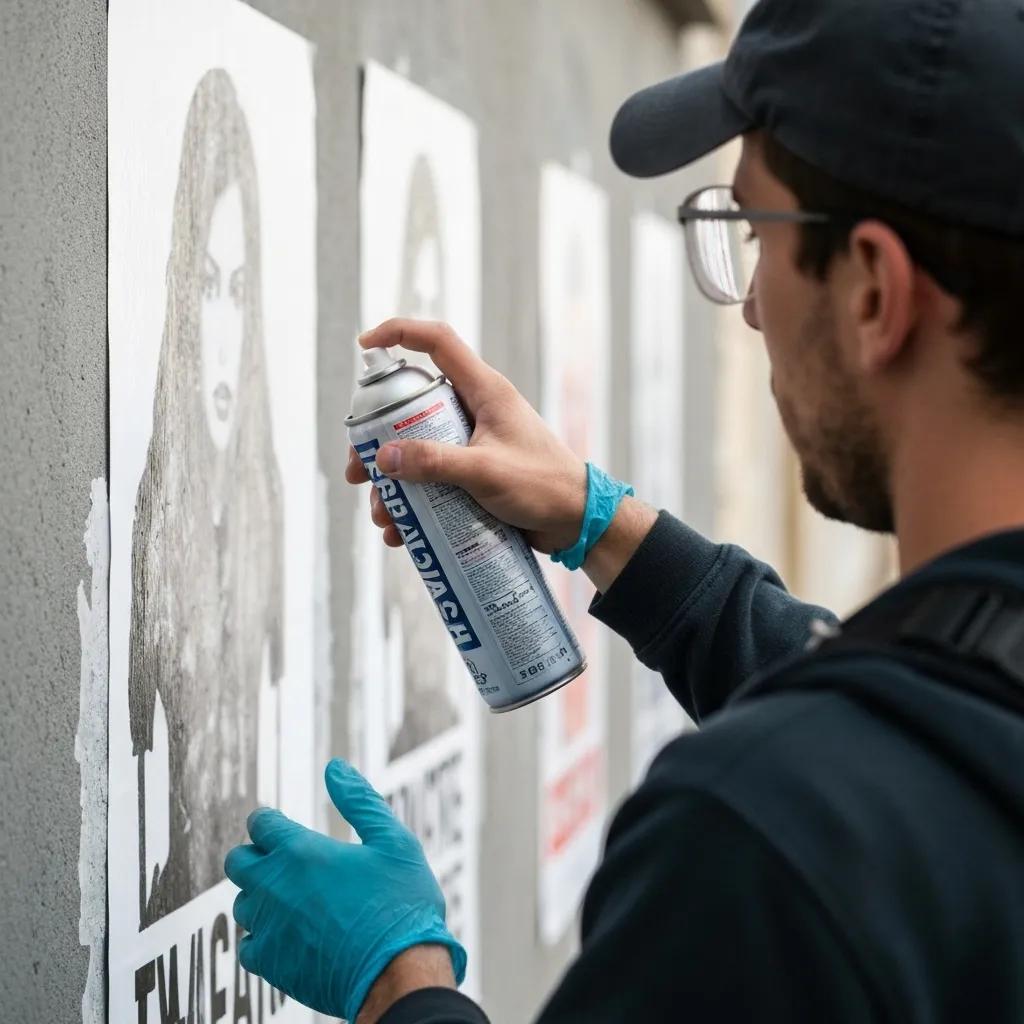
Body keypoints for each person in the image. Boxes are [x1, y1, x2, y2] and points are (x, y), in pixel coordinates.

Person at [224, 0, 1024, 1020]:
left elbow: (873, 789)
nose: (748, 303)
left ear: (873, 290)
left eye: (755, 232)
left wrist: (399, 986)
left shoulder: (753, 848)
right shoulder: (894, 788)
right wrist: (598, 522)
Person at [131, 67, 285, 928]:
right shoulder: (156, 519)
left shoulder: (268, 515)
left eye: (239, 291)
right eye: (205, 285)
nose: (220, 335)